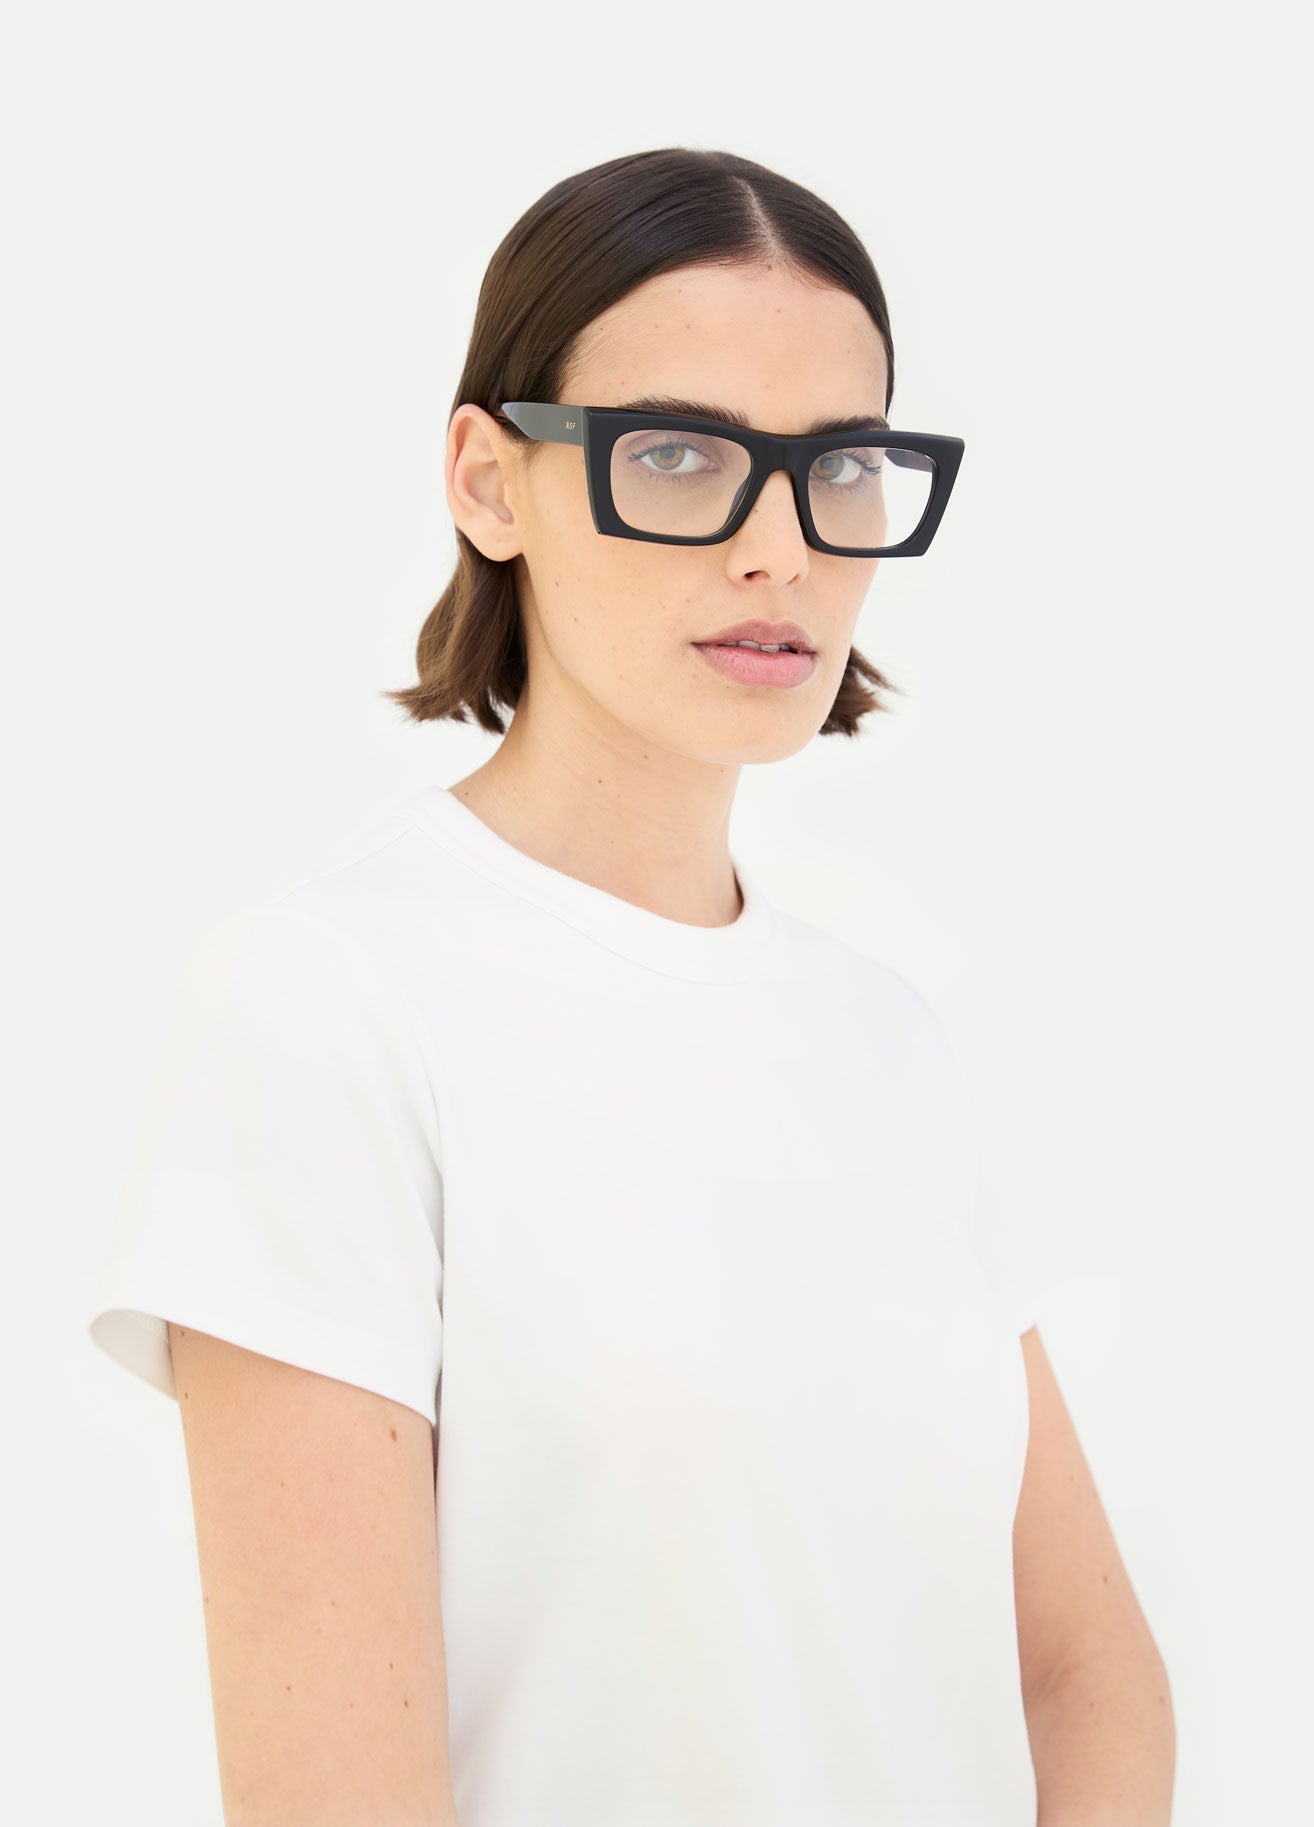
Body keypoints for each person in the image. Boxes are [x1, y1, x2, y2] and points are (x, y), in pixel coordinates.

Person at [86, 146, 1174, 1827]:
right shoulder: (328, 1006)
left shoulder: (882, 1036)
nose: (776, 548)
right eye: (676, 455)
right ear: (489, 482)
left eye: (839, 466)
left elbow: (1082, 1676)